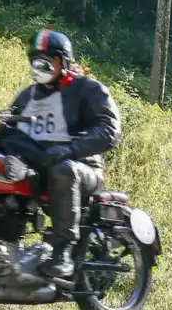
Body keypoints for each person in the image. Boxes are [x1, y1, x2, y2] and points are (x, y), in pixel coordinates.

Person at [6, 29, 121, 280]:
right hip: (38, 167)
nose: (41, 64)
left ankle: (62, 253)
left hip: (83, 169)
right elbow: (7, 128)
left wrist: (70, 149)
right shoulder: (28, 96)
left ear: (64, 61)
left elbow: (110, 131)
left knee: (64, 169)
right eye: (36, 58)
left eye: (50, 58)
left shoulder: (87, 89)